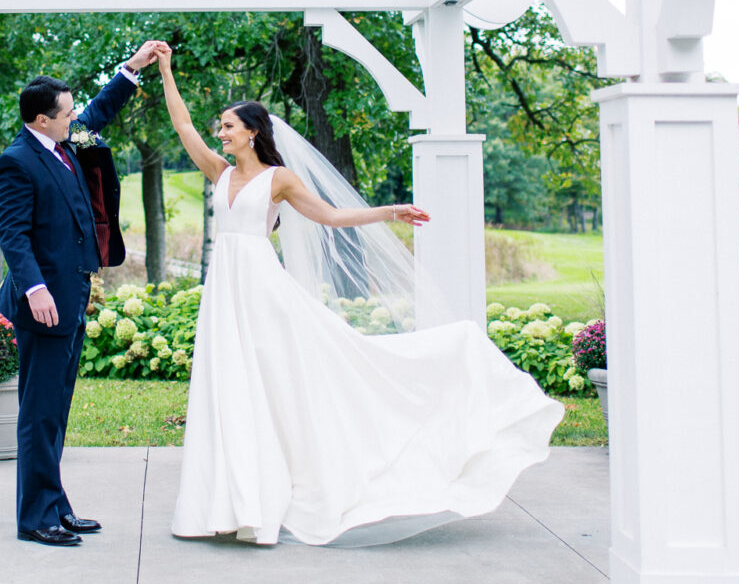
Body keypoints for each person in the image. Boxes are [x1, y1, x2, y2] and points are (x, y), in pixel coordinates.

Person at [154, 47, 564, 546]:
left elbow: (328, 216)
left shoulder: (278, 178)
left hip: (262, 288)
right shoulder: (219, 172)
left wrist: (389, 211)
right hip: (225, 290)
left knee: (279, 382)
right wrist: (167, 71)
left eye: (229, 127)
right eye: (219, 128)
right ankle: (229, 503)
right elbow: (181, 128)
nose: (220, 134)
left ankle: (271, 494)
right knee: (230, 385)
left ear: (253, 132)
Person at [0, 40, 168, 546]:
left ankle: (55, 503)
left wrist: (133, 69)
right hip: (43, 306)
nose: (75, 117)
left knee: (56, 411)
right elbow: (13, 235)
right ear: (42, 120)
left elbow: (100, 111)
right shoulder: (17, 162)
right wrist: (36, 289)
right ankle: (35, 519)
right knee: (39, 413)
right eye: (66, 113)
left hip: (71, 300)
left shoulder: (66, 142)